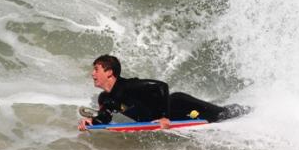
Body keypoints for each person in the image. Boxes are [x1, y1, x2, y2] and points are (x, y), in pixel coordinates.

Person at [78, 55, 250, 131]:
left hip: (181, 105)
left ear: (109, 72)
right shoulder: (106, 98)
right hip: (172, 116)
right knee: (219, 118)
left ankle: (249, 110)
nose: (92, 74)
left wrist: (163, 117)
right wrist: (92, 122)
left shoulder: (129, 86)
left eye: (96, 69)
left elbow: (161, 86)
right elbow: (105, 117)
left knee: (223, 115)